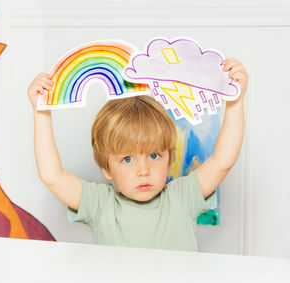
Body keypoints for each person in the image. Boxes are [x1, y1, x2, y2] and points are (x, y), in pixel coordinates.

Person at [27, 58, 248, 251]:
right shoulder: (100, 204)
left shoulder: (182, 197)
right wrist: (41, 112)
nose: (143, 171)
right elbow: (52, 176)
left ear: (170, 159)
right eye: (127, 159)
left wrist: (236, 102)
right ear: (106, 168)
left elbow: (222, 161)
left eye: (153, 156)